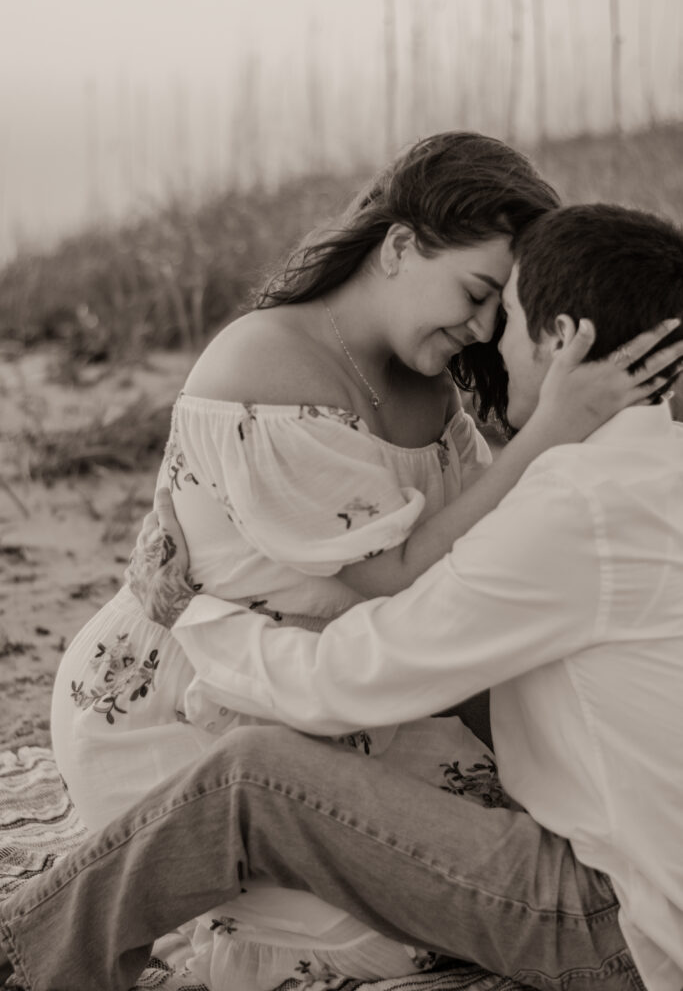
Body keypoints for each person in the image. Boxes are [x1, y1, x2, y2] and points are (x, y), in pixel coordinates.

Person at [1, 202, 681, 991]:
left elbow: (351, 679)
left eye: (513, 316)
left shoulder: (578, 508)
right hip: (634, 872)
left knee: (251, 779)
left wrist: (196, 613)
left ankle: (25, 962)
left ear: (564, 341)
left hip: (616, 923)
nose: (491, 338)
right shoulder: (649, 472)